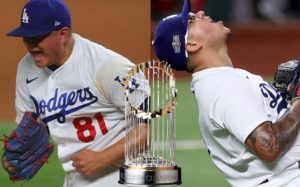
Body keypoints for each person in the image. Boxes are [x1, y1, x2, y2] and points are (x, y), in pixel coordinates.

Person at [152, 0, 300, 186]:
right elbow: (268, 146)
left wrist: (282, 95)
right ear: (191, 44)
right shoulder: (221, 86)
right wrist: (298, 102)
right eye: (191, 20)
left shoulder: (219, 82)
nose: (200, 14)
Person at [3, 0, 149, 186]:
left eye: (36, 37)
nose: (30, 45)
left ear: (63, 34)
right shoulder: (27, 69)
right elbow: (31, 126)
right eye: (26, 38)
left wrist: (103, 157)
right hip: (76, 177)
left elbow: (145, 132)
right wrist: (18, 153)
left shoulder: (107, 66)